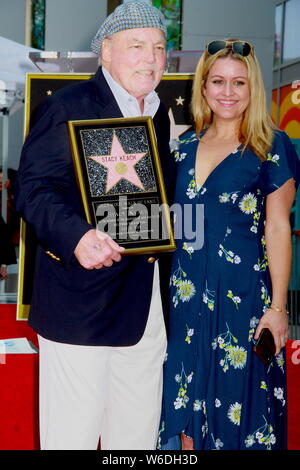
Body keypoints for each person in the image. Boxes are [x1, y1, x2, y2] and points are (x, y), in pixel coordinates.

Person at [15, 1, 175, 450]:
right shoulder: (69, 105)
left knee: (136, 440)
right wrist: (78, 236)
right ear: (105, 51)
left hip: (145, 309)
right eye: (137, 46)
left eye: (160, 48)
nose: (151, 58)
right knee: (73, 439)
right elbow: (33, 189)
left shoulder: (159, 115)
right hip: (80, 308)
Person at [159, 39, 300, 450]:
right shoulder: (181, 148)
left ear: (252, 89)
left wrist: (277, 309)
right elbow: (172, 223)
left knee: (240, 411)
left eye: (239, 83)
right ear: (202, 87)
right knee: (185, 411)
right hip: (184, 301)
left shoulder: (271, 147)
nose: (227, 91)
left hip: (242, 302)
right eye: (217, 81)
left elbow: (277, 228)